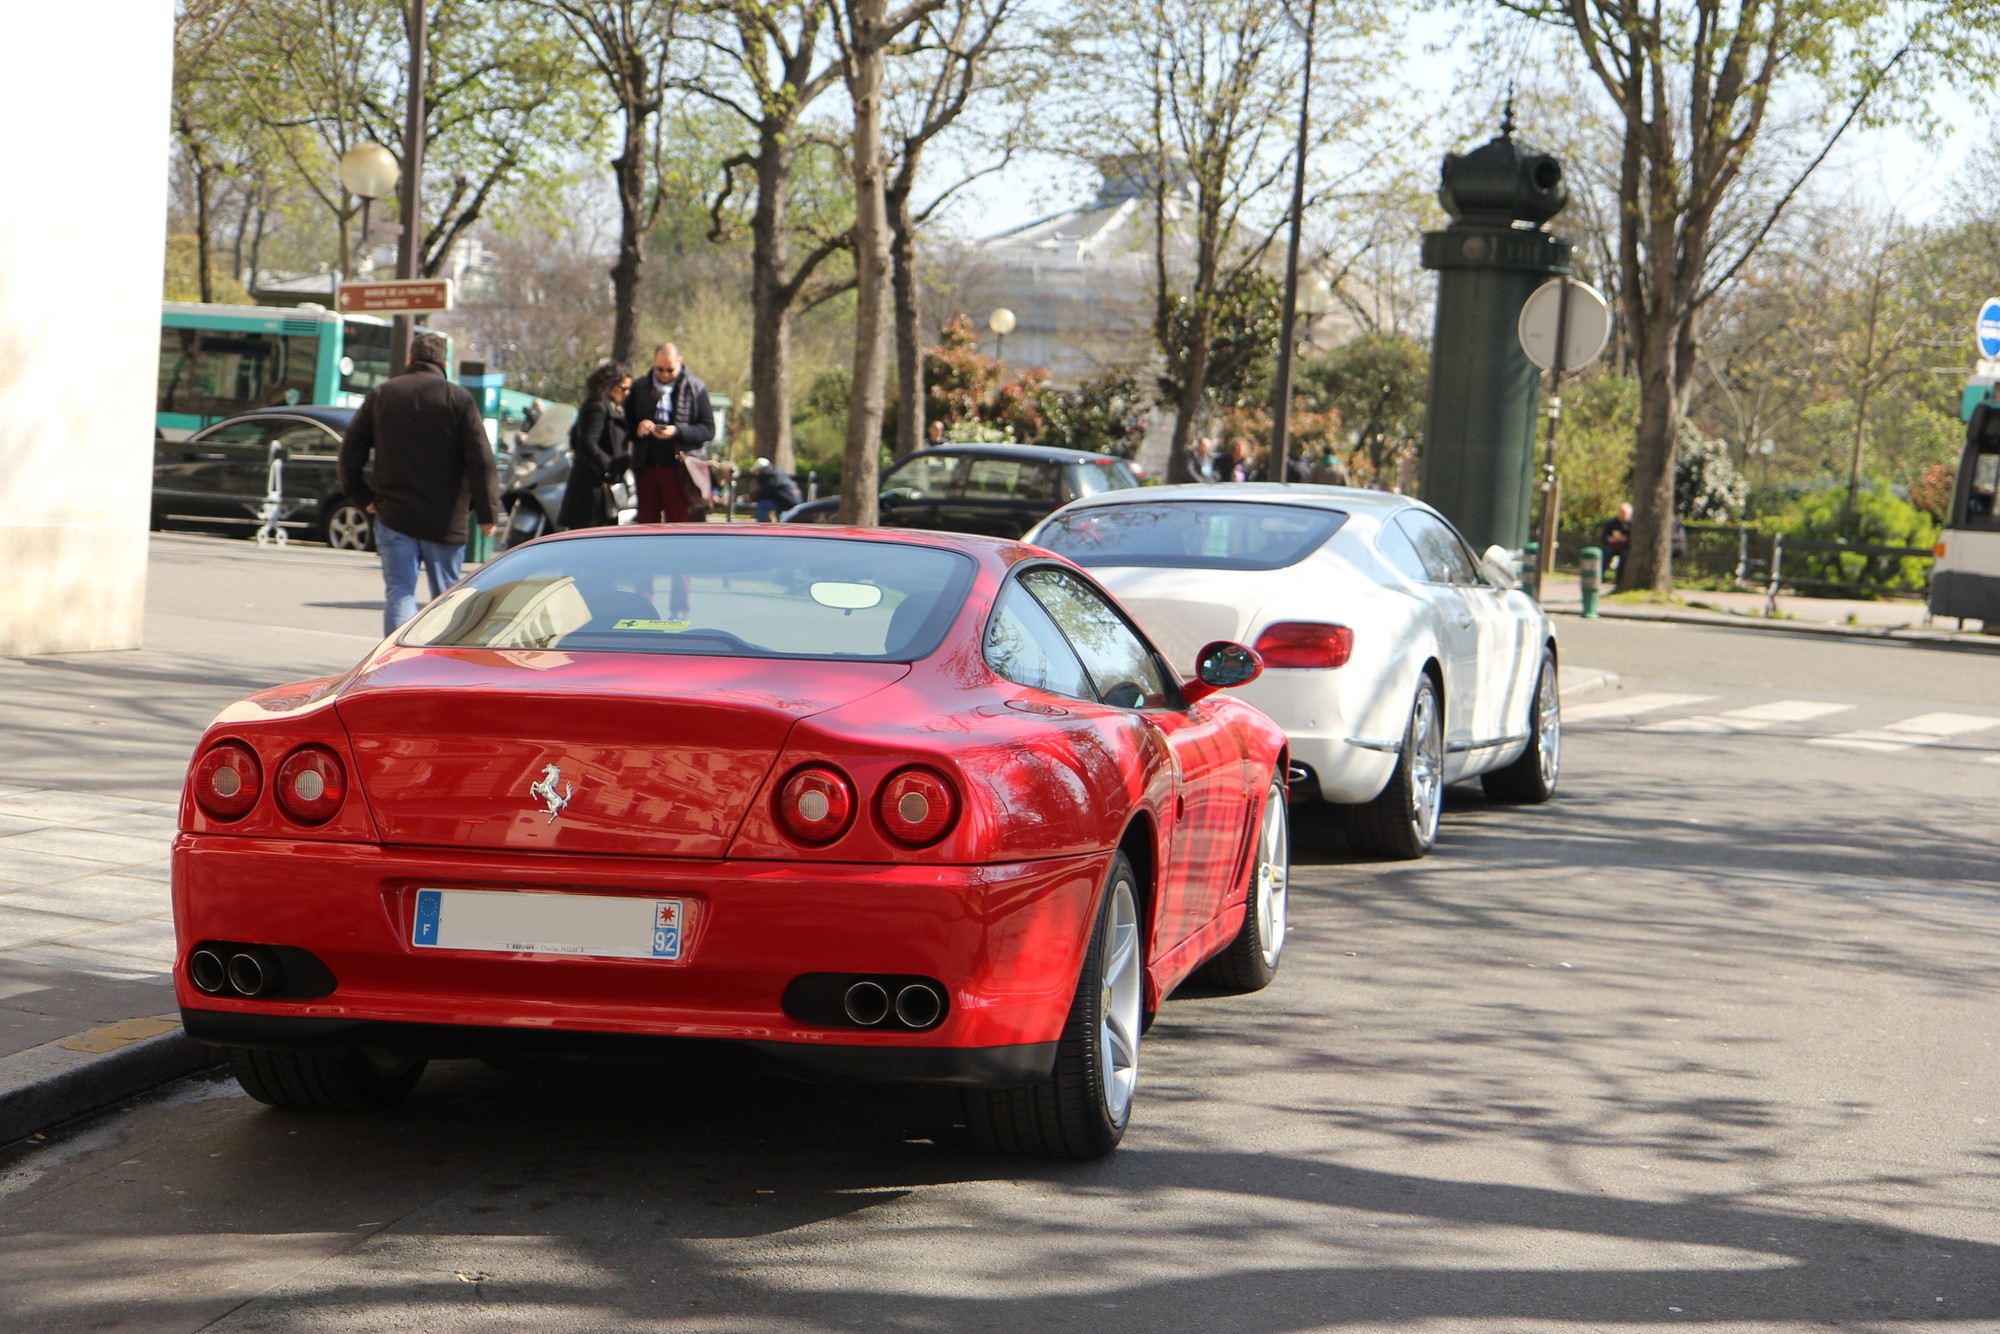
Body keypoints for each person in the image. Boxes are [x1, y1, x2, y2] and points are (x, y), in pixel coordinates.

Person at [338, 331, 500, 637]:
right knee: (448, 597)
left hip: (394, 513)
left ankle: (397, 668)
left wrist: (360, 495)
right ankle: (445, 665)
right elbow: (481, 458)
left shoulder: (382, 394)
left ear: (410, 359)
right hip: (447, 517)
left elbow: (350, 450)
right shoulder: (458, 398)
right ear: (444, 362)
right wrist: (488, 512)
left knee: (400, 593)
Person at [623, 341, 715, 524]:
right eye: (660, 369)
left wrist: (677, 432)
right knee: (647, 522)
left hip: (679, 468)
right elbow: (625, 426)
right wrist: (638, 429)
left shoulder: (695, 387)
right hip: (646, 465)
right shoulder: (640, 386)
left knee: (678, 522)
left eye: (670, 370)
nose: (665, 375)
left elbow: (708, 429)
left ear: (680, 362)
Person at [555, 360, 631, 533]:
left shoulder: (611, 406)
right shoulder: (597, 406)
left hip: (600, 487)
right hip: (591, 489)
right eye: (623, 387)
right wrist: (609, 465)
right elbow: (587, 442)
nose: (626, 393)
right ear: (610, 384)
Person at [750, 457, 802, 522]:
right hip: (791, 500)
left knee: (762, 504)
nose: (755, 474)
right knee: (778, 511)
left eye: (756, 471)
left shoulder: (768, 475)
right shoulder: (775, 472)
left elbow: (766, 492)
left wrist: (752, 497)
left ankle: (762, 527)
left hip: (787, 501)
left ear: (759, 470)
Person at [1599, 502, 1633, 581]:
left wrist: (1626, 539)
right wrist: (1609, 539)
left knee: (1624, 556)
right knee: (1607, 551)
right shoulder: (1612, 523)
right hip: (1613, 546)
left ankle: (1619, 578)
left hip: (1625, 547)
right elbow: (1603, 536)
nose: (1622, 515)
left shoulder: (1632, 524)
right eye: (1621, 512)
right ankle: (1600, 576)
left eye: (1625, 513)